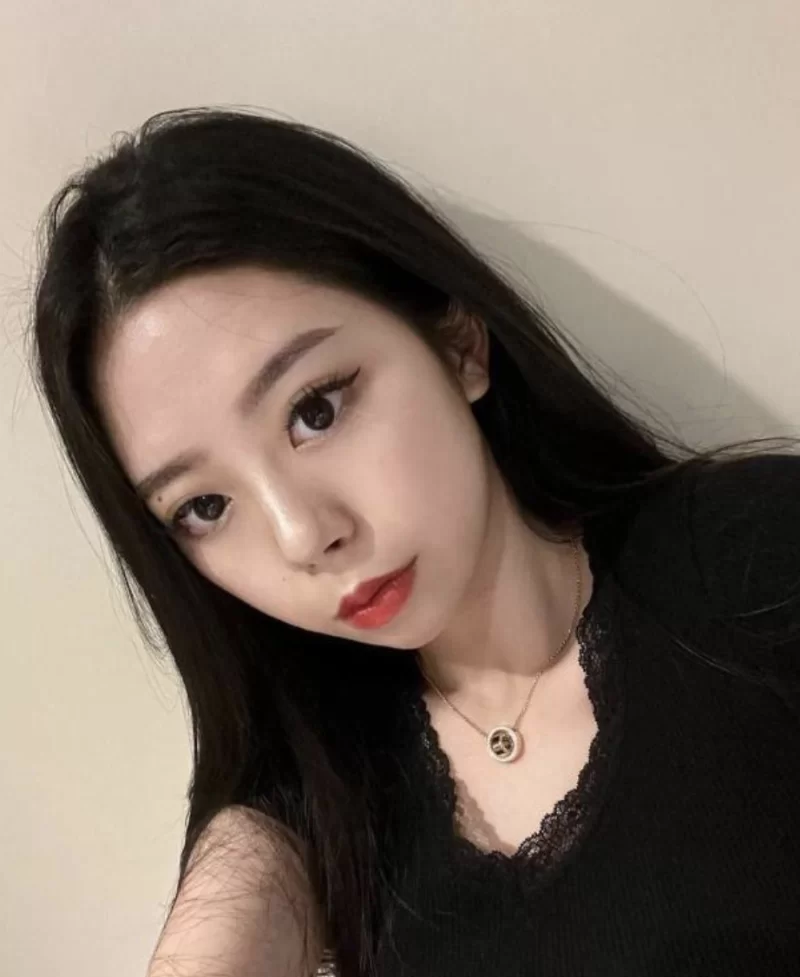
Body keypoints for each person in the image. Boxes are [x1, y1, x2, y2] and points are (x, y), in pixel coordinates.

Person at [29, 107, 799, 977]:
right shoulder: (328, 802)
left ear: (458, 344)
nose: (304, 534)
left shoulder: (756, 558)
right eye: (204, 505)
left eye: (316, 409)